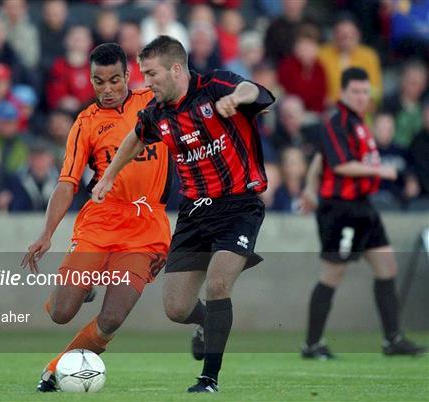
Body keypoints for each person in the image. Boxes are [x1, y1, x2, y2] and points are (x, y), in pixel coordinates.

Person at [92, 36, 275, 393]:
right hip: (193, 213)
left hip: (238, 206)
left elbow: (259, 92)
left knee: (219, 284)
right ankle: (206, 322)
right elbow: (135, 137)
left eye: (151, 73)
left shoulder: (216, 86)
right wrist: (109, 175)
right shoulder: (158, 113)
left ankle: (208, 379)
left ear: (176, 69)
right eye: (143, 74)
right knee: (176, 308)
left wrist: (238, 99)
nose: (146, 82)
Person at [20, 43, 172, 392]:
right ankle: (84, 284)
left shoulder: (153, 102)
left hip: (146, 227)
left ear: (127, 76)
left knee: (113, 317)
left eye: (114, 80)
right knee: (60, 312)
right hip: (100, 224)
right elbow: (67, 182)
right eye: (98, 81)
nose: (107, 89)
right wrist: (46, 233)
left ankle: (55, 370)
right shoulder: (86, 123)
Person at [299, 67, 426, 359]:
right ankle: (312, 344)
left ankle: (392, 340)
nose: (360, 96)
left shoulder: (358, 122)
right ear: (343, 92)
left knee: (387, 267)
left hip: (364, 208)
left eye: (365, 91)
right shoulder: (337, 122)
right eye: (355, 91)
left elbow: (321, 157)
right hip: (340, 209)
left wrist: (308, 187)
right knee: (333, 274)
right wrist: (379, 170)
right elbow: (340, 164)